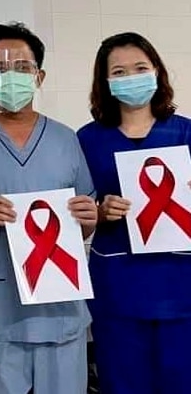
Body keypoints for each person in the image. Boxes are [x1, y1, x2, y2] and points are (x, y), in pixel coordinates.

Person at [0, 22, 98, 394]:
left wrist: (88, 218)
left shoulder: (66, 139)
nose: (9, 76)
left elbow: (83, 225)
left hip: (59, 309)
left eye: (22, 68)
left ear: (39, 76)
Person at [78, 32, 191, 394]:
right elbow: (75, 213)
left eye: (140, 68)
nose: (132, 77)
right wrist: (100, 210)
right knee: (123, 382)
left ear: (156, 71)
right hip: (118, 287)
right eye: (120, 71)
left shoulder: (185, 133)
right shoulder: (87, 139)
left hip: (181, 287)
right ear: (105, 82)